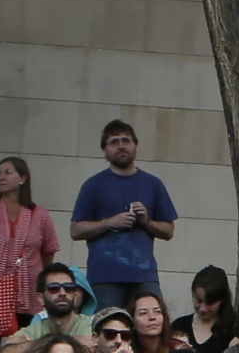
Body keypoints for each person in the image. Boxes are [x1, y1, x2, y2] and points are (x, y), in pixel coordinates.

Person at [68, 120, 177, 304]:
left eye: (126, 140)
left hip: (144, 276)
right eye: (114, 141)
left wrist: (146, 222)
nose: (121, 146)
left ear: (135, 145)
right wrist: (109, 223)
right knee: (108, 329)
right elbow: (75, 230)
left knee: (154, 326)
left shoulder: (153, 184)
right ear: (104, 150)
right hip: (104, 277)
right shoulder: (93, 185)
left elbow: (168, 231)